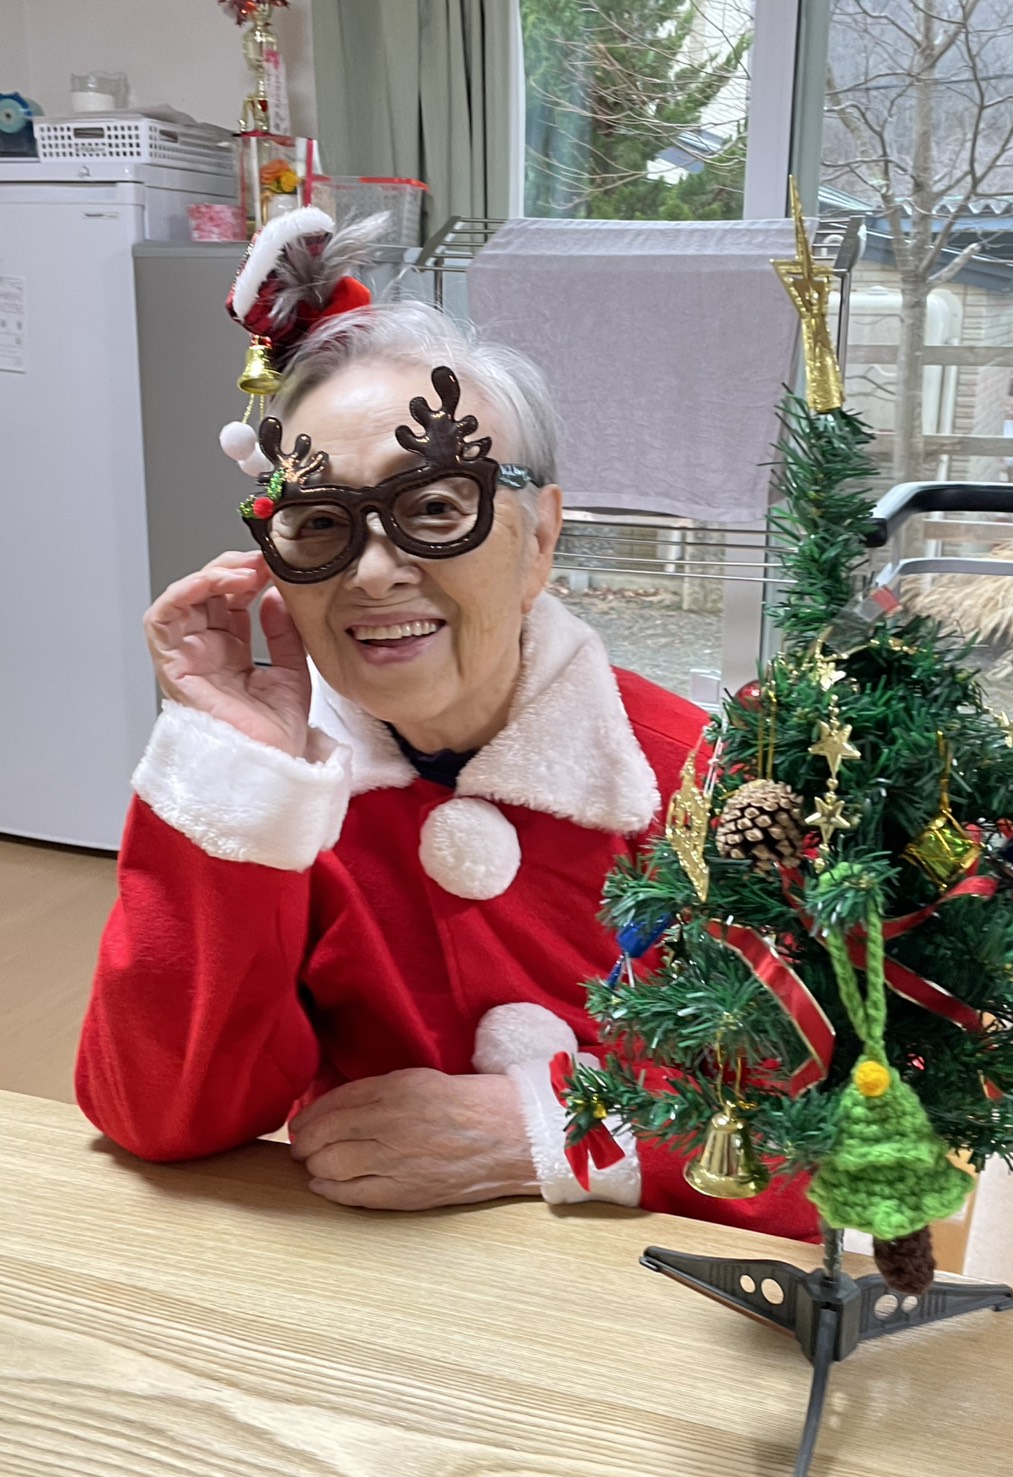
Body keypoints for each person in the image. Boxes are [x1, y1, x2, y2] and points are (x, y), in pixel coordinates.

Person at [76, 209, 819, 1240]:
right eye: (318, 523)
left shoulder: (717, 787)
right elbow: (159, 1114)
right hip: (376, 1295)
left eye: (434, 508)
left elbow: (852, 1140)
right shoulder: (278, 793)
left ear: (540, 538)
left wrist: (546, 1132)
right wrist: (235, 780)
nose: (372, 571)